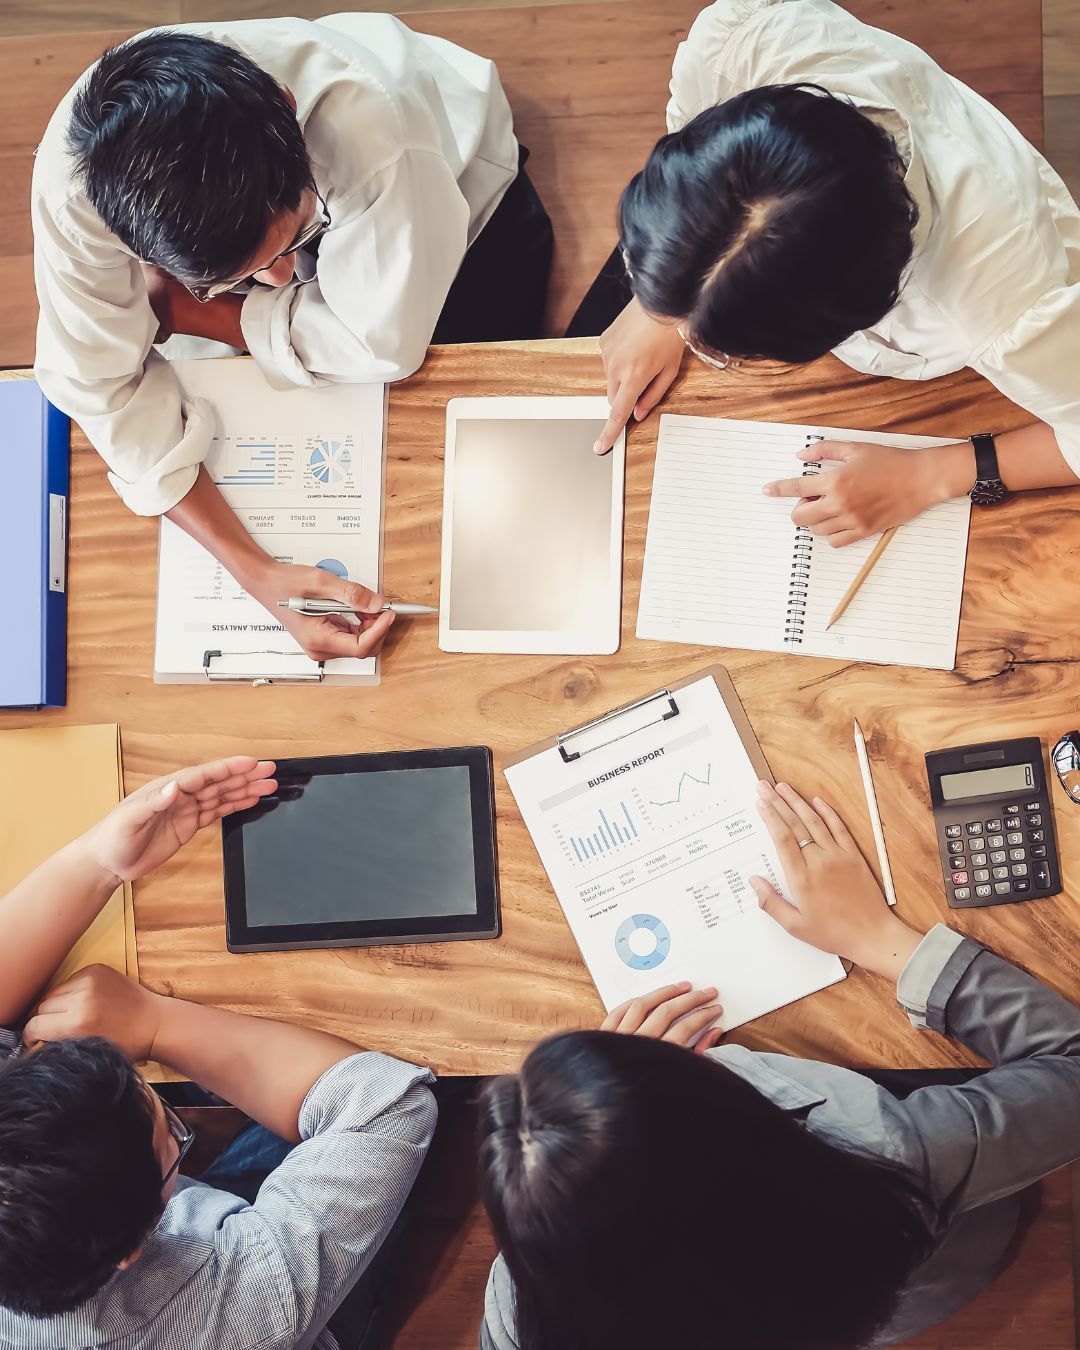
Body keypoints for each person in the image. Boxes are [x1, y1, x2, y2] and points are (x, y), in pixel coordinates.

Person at [477, 779, 1080, 1350]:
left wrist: (599, 1134)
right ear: (737, 1119)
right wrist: (878, 939)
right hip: (932, 1260)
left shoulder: (518, 1314)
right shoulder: (891, 1151)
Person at [32, 18, 553, 658]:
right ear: (133, 243)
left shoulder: (375, 132)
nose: (281, 280)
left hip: (462, 198)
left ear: (287, 104)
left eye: (296, 240)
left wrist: (206, 313)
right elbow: (98, 387)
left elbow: (382, 343)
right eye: (240, 276)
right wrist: (259, 575)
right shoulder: (76, 189)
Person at [578, 0, 1080, 547]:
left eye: (725, 350)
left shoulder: (1012, 308)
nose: (696, 342)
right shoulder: (742, 42)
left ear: (857, 310)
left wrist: (932, 473)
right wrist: (673, 297)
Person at [0, 756, 436, 1349]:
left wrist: (99, 860)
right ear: (132, 1249)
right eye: (170, 1136)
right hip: (256, 1288)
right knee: (422, 1066)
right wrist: (155, 1023)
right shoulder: (239, 1312)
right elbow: (387, 1103)